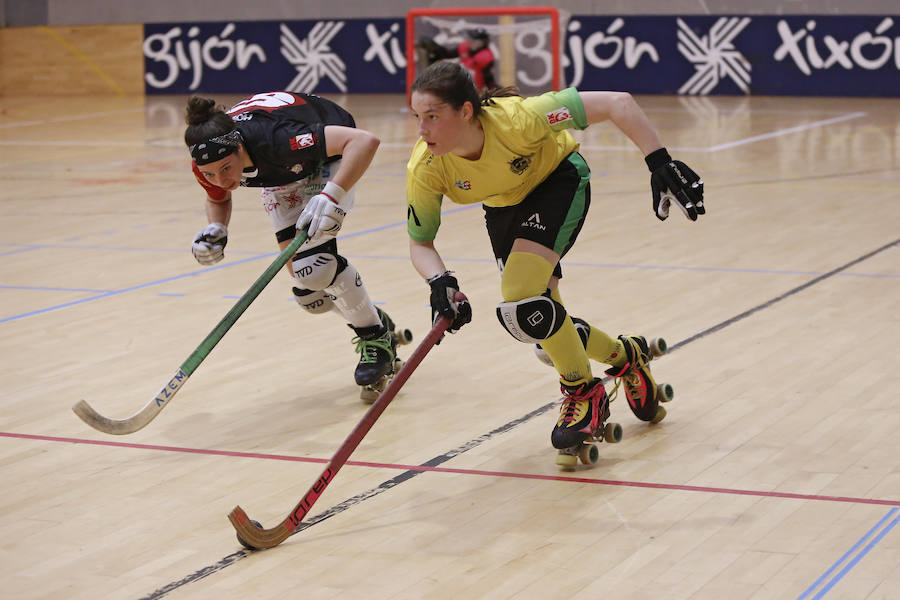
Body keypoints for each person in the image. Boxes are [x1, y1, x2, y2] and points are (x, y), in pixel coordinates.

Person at [405, 61, 704, 457]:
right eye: (416, 118)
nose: (421, 130)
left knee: (521, 296)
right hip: (503, 207)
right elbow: (420, 243)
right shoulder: (426, 166)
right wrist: (440, 282)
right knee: (544, 330)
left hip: (558, 182)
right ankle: (627, 355)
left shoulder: (520, 120)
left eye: (431, 117)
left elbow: (618, 102)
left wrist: (659, 161)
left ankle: (584, 394)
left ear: (465, 111)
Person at [185, 91, 405, 402]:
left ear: (238, 147)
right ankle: (372, 319)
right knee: (310, 294)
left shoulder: (277, 139)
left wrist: (331, 195)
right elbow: (217, 198)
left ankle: (376, 340)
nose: (219, 179)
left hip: (330, 151)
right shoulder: (206, 160)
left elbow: (364, 141)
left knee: (313, 268)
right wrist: (216, 228)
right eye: (210, 174)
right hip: (282, 171)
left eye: (226, 169)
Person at [416, 28, 497, 92]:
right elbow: (446, 54)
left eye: (474, 41)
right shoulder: (464, 47)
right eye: (470, 39)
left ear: (482, 43)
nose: (470, 42)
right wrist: (435, 48)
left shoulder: (485, 57)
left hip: (474, 92)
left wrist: (497, 93)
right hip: (460, 87)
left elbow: (489, 80)